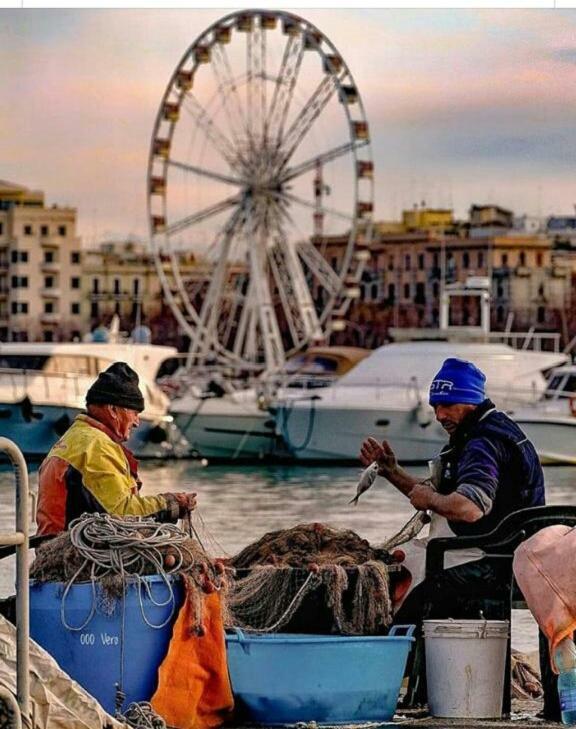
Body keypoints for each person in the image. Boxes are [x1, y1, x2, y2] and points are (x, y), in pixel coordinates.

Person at [360, 357, 545, 621]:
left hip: (491, 561)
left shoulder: (484, 443)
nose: (439, 415)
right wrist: (391, 472)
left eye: (447, 405)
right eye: (435, 406)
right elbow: (440, 499)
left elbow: (468, 509)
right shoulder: (484, 430)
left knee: (393, 583)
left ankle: (404, 655)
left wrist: (431, 498)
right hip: (493, 552)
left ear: (470, 401)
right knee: (400, 561)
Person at [36, 361, 197, 535]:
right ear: (113, 409)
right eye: (134, 413)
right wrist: (171, 503)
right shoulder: (96, 446)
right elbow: (121, 512)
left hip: (59, 545)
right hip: (75, 553)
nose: (136, 422)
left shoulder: (76, 437)